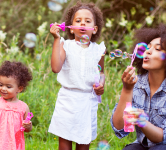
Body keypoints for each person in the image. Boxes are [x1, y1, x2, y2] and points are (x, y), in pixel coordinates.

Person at [110, 25, 166, 150]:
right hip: (148, 145)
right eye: (147, 47)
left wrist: (142, 122)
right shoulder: (136, 84)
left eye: (158, 49)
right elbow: (119, 128)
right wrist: (127, 89)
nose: (148, 51)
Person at [47, 2, 107, 150]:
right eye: (78, 20)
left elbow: (101, 72)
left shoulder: (99, 50)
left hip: (87, 101)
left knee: (83, 143)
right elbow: (55, 68)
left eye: (87, 21)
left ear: (94, 29)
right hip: (67, 100)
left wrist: (101, 84)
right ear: (71, 28)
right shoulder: (65, 45)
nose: (82, 23)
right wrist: (56, 39)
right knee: (65, 144)